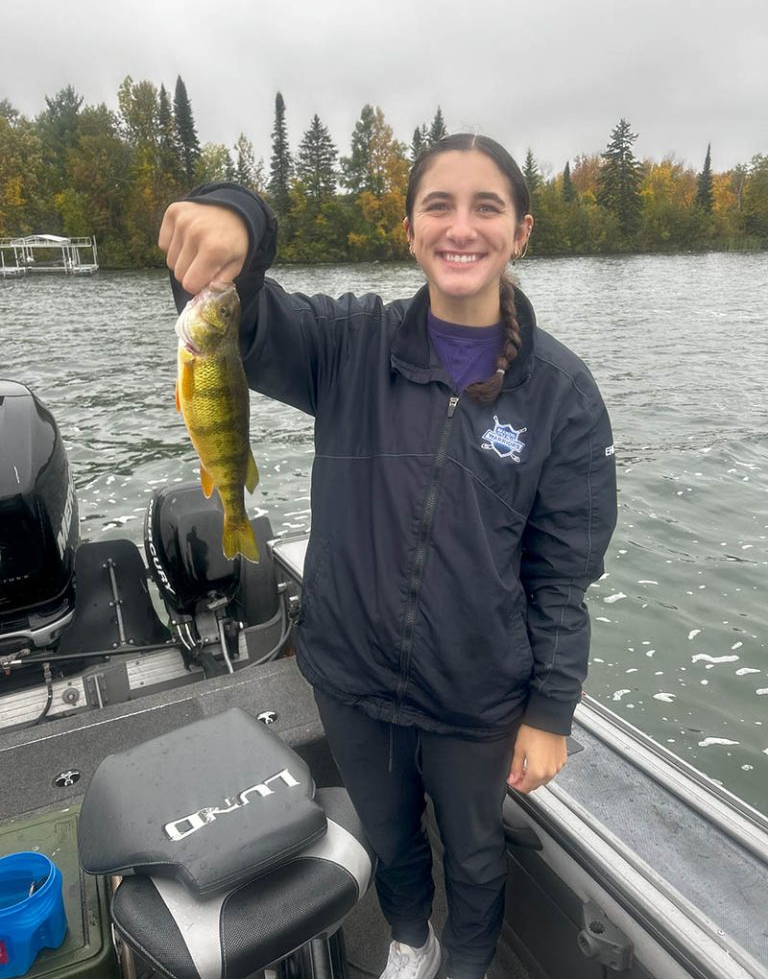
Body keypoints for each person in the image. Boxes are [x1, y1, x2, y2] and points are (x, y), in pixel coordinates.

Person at [159, 133, 618, 979]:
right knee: (389, 832)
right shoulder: (348, 344)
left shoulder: (563, 395)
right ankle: (413, 939)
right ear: (409, 232)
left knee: (477, 854)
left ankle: (469, 959)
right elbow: (241, 313)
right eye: (438, 205)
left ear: (521, 232)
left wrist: (550, 712)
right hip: (351, 673)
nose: (461, 226)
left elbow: (564, 574)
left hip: (479, 691)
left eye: (488, 206)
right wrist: (235, 216)